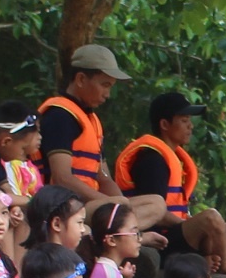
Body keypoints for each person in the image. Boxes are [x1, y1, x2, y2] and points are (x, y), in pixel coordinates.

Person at [114, 91, 226, 271]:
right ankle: (222, 265)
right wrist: (189, 225)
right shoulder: (152, 160)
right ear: (165, 124)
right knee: (211, 218)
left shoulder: (172, 156)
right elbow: (155, 212)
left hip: (179, 237)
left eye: (190, 120)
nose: (190, 126)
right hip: (161, 240)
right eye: (183, 120)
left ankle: (199, 262)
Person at [38, 45, 167, 230]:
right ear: (81, 79)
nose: (107, 94)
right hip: (63, 207)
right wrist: (113, 204)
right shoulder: (60, 115)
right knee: (124, 207)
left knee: (156, 203)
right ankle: (128, 233)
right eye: (104, 85)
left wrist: (119, 205)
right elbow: (62, 178)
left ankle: (126, 231)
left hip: (89, 205)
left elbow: (104, 178)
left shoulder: (92, 121)